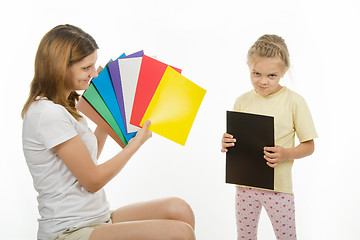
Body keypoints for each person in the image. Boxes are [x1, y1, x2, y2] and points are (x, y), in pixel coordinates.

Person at [22, 24, 195, 240]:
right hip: (69, 230)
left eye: (94, 65)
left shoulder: (62, 107)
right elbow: (93, 180)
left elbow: (88, 160)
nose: (94, 73)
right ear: (59, 67)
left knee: (179, 210)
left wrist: (107, 105)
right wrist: (135, 145)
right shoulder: (47, 114)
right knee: (179, 233)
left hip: (97, 217)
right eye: (86, 68)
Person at [221, 34, 317, 240]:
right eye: (256, 73)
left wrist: (285, 154)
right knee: (244, 237)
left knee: (286, 237)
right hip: (245, 186)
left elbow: (309, 146)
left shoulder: (294, 102)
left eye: (271, 76)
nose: (263, 81)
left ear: (284, 72)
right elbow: (236, 142)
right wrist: (227, 143)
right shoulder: (242, 101)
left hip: (279, 189)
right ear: (248, 66)